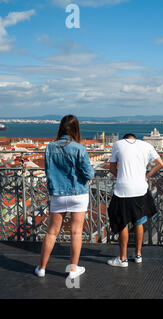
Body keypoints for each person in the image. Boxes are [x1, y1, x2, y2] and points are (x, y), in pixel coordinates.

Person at [35, 115, 95, 279]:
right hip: (78, 193)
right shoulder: (79, 148)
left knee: (52, 232)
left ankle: (41, 268)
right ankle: (73, 271)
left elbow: (48, 171)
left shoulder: (50, 147)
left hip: (58, 194)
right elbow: (89, 172)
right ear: (76, 129)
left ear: (61, 128)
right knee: (76, 232)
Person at [107, 133, 163, 267]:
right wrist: (147, 176)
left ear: (125, 139)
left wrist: (119, 175)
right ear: (134, 138)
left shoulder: (117, 144)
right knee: (139, 222)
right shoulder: (146, 145)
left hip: (123, 191)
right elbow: (160, 163)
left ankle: (123, 258)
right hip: (140, 189)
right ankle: (138, 255)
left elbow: (111, 167)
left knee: (123, 223)